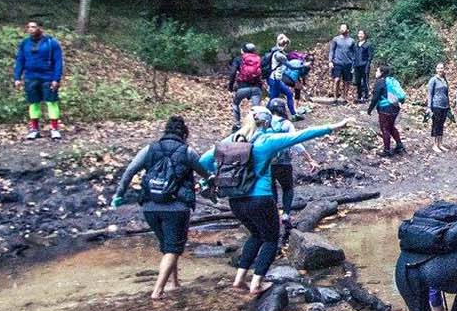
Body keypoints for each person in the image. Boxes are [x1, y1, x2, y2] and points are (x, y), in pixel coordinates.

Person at [199, 107, 351, 294]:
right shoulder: (266, 141)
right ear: (267, 122)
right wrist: (334, 126)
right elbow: (302, 135)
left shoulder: (229, 141)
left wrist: (208, 178)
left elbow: (203, 161)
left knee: (255, 235)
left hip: (235, 200)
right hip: (260, 199)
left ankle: (239, 279)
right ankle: (256, 283)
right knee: (271, 239)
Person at [110, 115, 209, 300]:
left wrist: (119, 195)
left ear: (166, 131)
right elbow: (205, 174)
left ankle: (175, 283)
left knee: (168, 246)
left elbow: (130, 171)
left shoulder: (149, 149)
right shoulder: (188, 152)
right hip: (176, 207)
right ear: (184, 133)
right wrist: (208, 188)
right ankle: (157, 291)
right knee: (173, 248)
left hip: (150, 207)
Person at [266, 97, 321, 232]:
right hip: (284, 163)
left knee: (272, 189)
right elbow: (296, 143)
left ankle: (274, 216)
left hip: (267, 163)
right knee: (288, 188)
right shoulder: (286, 124)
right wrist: (309, 159)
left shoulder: (264, 122)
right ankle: (286, 214)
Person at [13, 20, 65, 140]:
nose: (31, 29)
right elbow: (20, 60)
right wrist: (17, 77)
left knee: (51, 102)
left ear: (40, 28)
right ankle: (34, 129)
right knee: (33, 103)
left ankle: (54, 129)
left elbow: (58, 62)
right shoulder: (24, 43)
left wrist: (56, 78)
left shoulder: (52, 43)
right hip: (30, 77)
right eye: (29, 27)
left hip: (48, 77)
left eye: (34, 27)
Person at [367, 64, 406, 157]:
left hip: (385, 109)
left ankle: (387, 150)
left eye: (377, 71)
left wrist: (370, 109)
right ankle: (399, 145)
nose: (376, 73)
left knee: (385, 128)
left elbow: (375, 98)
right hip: (395, 107)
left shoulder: (380, 82)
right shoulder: (392, 81)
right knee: (391, 126)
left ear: (382, 72)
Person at [229, 43, 265, 129]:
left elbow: (232, 73)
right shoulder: (258, 59)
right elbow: (263, 71)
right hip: (256, 88)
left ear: (242, 51)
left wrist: (230, 87)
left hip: (242, 87)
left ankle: (237, 124)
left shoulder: (238, 59)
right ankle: (256, 127)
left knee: (235, 104)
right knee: (256, 109)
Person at [426, 62, 452, 154]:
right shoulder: (433, 80)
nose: (440, 70)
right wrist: (429, 107)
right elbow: (429, 93)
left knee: (441, 124)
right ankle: (435, 145)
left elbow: (446, 94)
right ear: (436, 69)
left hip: (444, 106)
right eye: (438, 68)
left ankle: (440, 143)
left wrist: (448, 105)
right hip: (436, 105)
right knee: (436, 124)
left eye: (442, 68)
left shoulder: (444, 80)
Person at [265, 35, 294, 117]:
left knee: (289, 93)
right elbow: (291, 66)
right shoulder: (279, 54)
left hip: (277, 79)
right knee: (273, 98)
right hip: (274, 79)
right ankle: (264, 116)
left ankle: (293, 114)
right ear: (285, 45)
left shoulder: (276, 51)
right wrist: (304, 65)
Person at [328, 24, 357, 102]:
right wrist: (330, 61)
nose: (342, 29)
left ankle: (345, 97)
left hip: (348, 63)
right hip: (337, 62)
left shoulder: (351, 41)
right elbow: (331, 50)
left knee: (347, 81)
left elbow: (354, 53)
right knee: (336, 80)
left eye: (344, 28)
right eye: (341, 28)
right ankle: (335, 98)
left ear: (348, 30)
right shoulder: (335, 39)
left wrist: (353, 65)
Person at [353, 29, 373, 103]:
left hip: (364, 65)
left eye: (361, 34)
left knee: (365, 81)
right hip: (357, 65)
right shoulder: (356, 44)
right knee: (357, 81)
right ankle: (359, 96)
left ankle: (366, 96)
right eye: (359, 34)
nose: (360, 35)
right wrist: (353, 65)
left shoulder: (368, 44)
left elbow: (370, 57)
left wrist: (367, 66)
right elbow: (354, 55)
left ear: (365, 35)